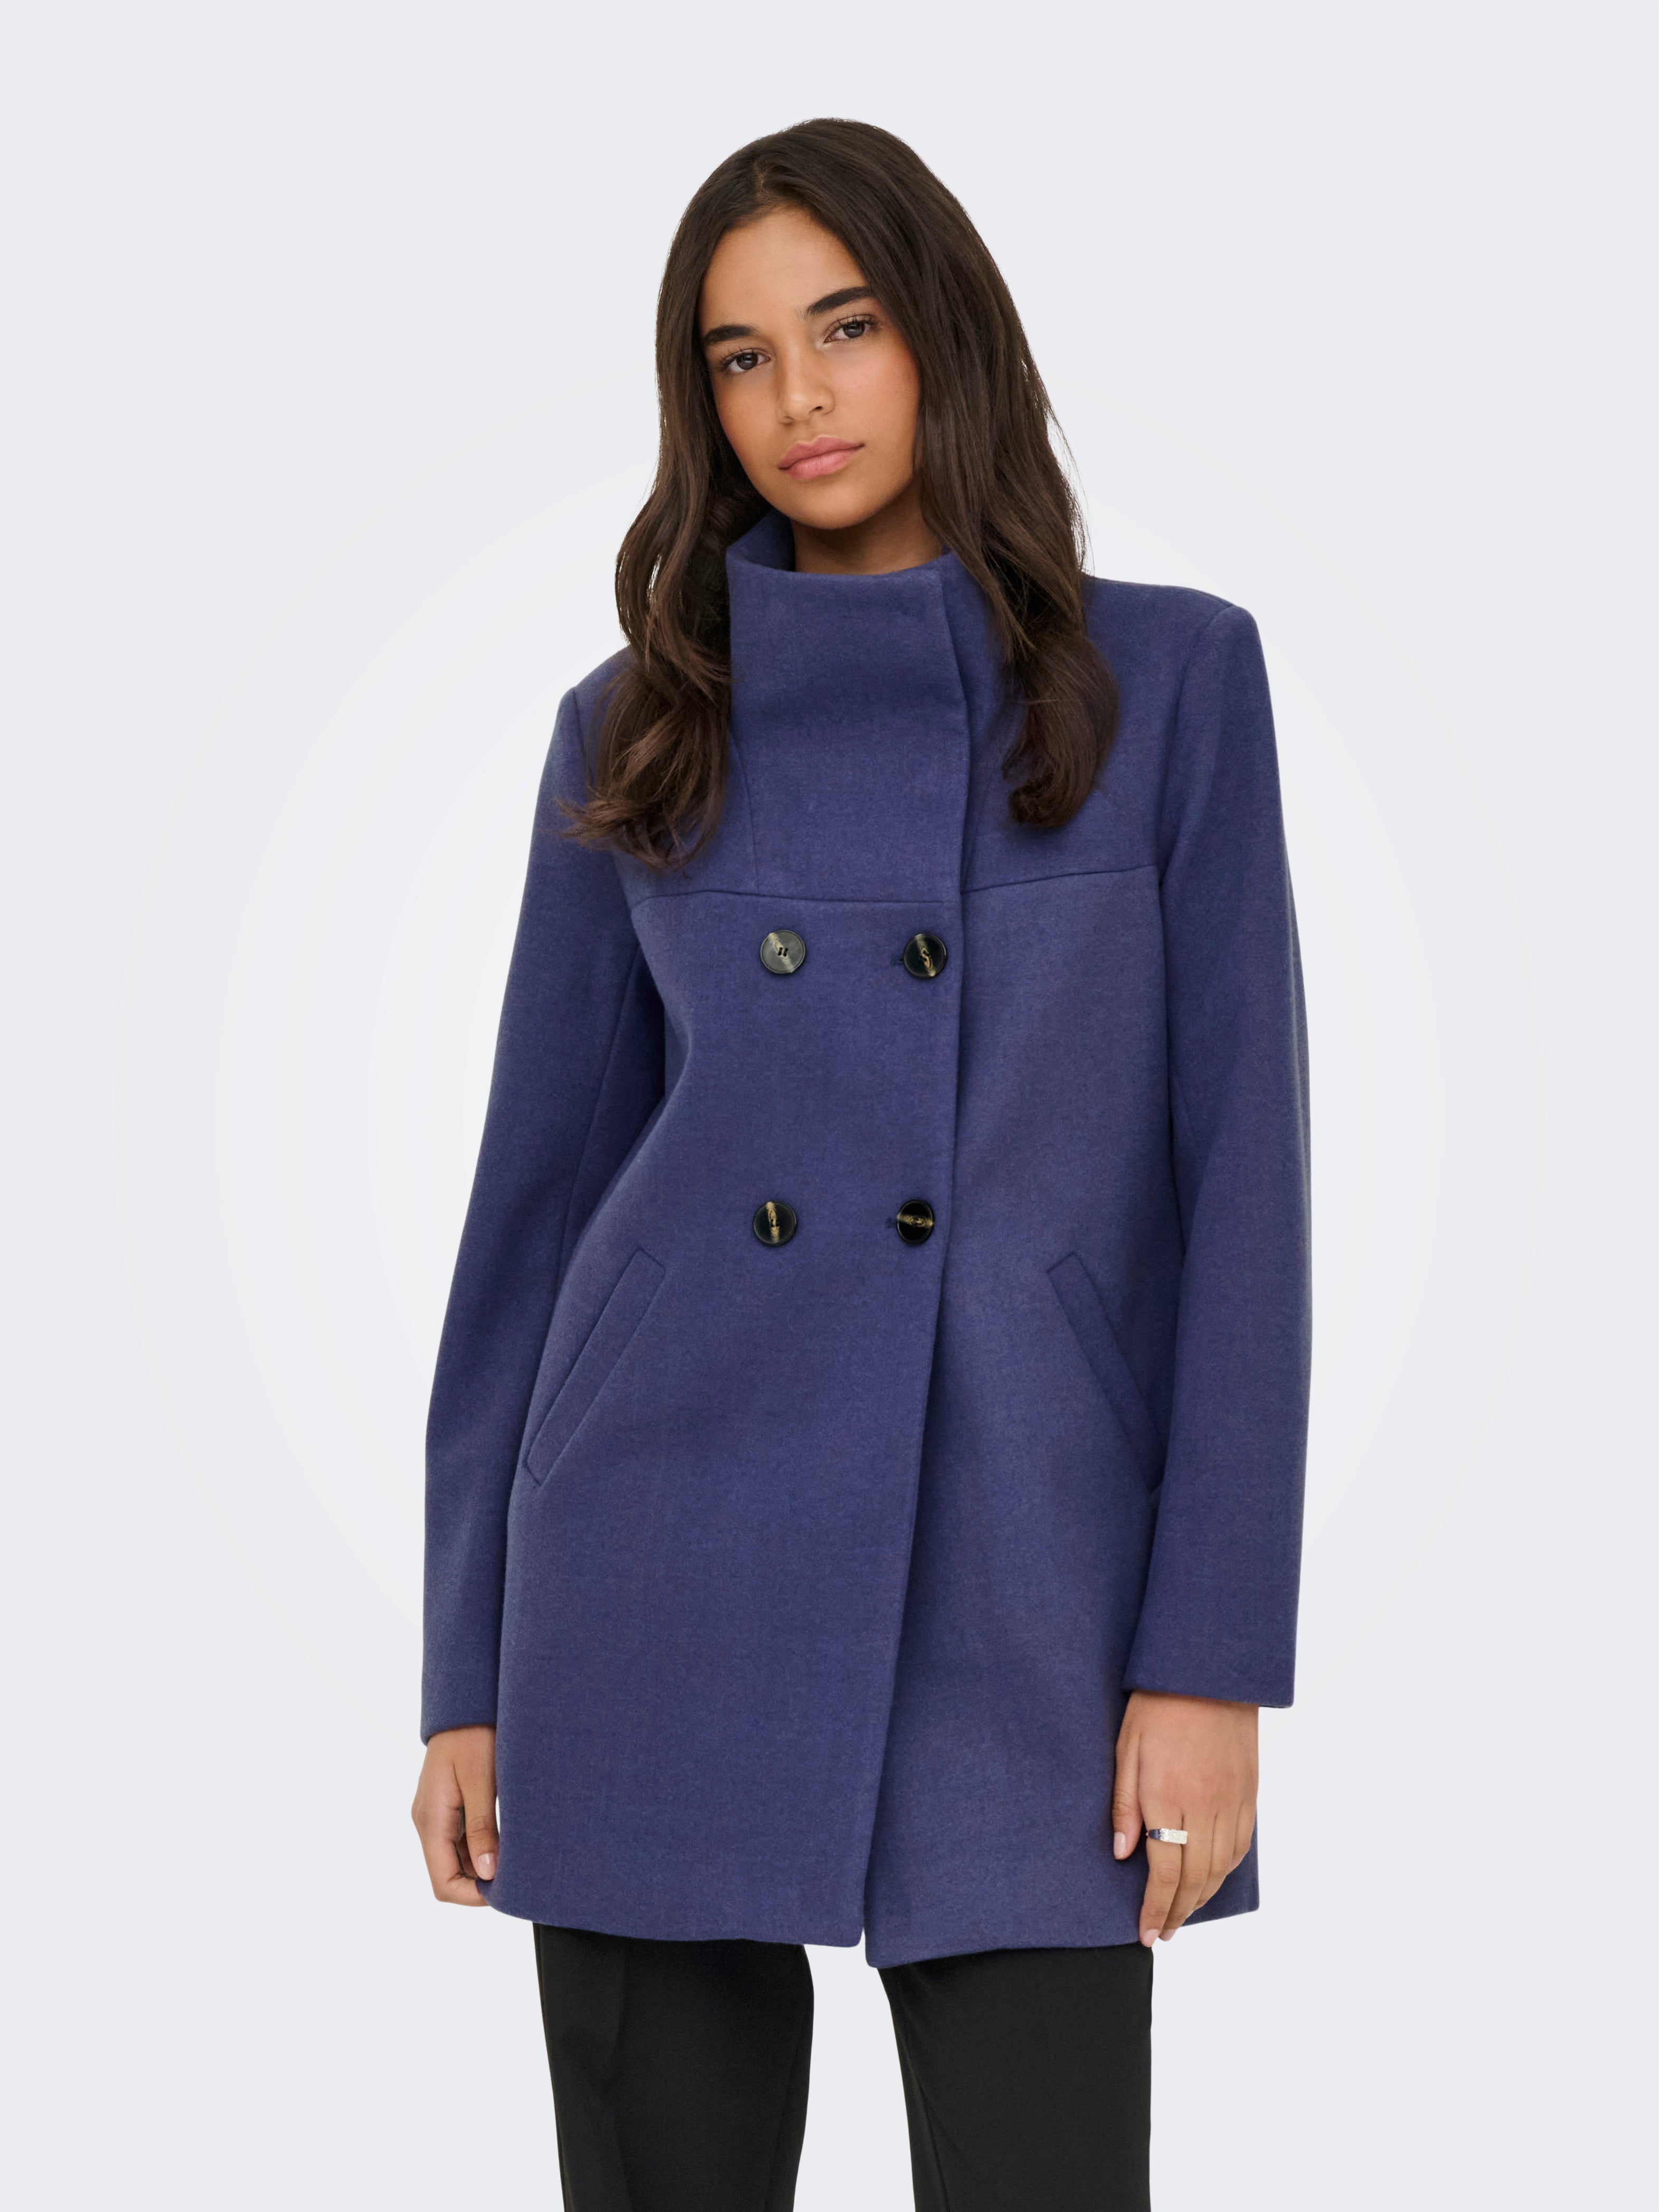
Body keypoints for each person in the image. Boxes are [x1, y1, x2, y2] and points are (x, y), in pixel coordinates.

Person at [411, 117, 1311, 2212]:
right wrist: (466, 1671)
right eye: (739, 357)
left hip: (1031, 1574)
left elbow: (1247, 1199)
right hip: (650, 1558)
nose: (798, 396)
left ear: (945, 339)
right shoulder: (635, 726)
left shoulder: (1168, 684)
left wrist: (1210, 1658)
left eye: (846, 326)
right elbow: (534, 1218)